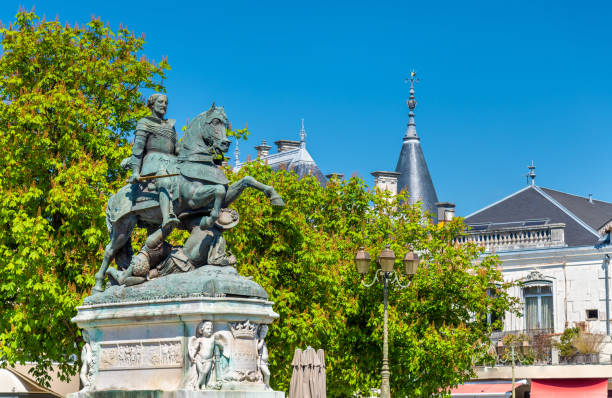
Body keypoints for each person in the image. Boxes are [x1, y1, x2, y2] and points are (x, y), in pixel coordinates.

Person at [128, 93, 179, 231]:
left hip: (174, 164)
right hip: (154, 163)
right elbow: (138, 148)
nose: (164, 105)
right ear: (152, 104)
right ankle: (167, 216)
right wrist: (135, 171)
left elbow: (177, 149)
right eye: (161, 102)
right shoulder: (144, 123)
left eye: (166, 103)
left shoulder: (171, 125)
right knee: (164, 181)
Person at [188, 320, 219, 389]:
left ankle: (197, 385)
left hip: (209, 360)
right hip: (199, 358)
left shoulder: (213, 339)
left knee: (204, 372)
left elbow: (221, 345)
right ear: (202, 330)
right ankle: (203, 385)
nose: (210, 330)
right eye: (208, 329)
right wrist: (192, 355)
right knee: (201, 372)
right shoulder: (200, 339)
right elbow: (195, 349)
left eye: (211, 329)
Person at [257, 324, 270, 389]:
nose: (264, 333)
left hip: (265, 362)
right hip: (261, 362)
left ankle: (266, 386)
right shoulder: (259, 340)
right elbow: (258, 348)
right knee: (267, 374)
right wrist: (261, 340)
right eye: (263, 331)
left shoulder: (263, 340)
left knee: (267, 374)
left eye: (265, 332)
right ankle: (266, 386)